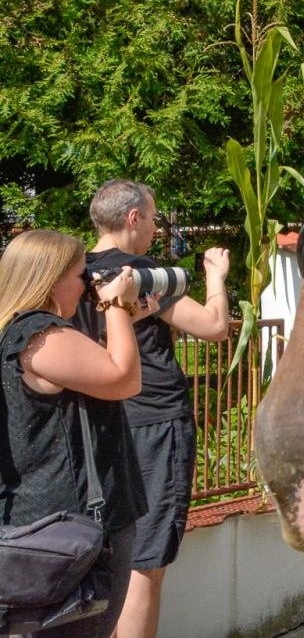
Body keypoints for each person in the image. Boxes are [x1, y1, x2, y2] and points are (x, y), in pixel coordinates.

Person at [84, 180, 231, 638]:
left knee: (111, 554)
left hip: (101, 425)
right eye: (152, 217)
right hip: (155, 424)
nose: (154, 227)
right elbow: (214, 327)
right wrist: (215, 276)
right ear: (132, 219)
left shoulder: (76, 274)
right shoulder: (142, 275)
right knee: (145, 564)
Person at [2, 229, 146, 637]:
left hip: (39, 522)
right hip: (73, 530)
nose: (88, 285)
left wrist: (125, 317)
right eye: (82, 275)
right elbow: (123, 379)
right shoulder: (39, 335)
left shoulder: (14, 331)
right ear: (50, 278)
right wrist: (114, 303)